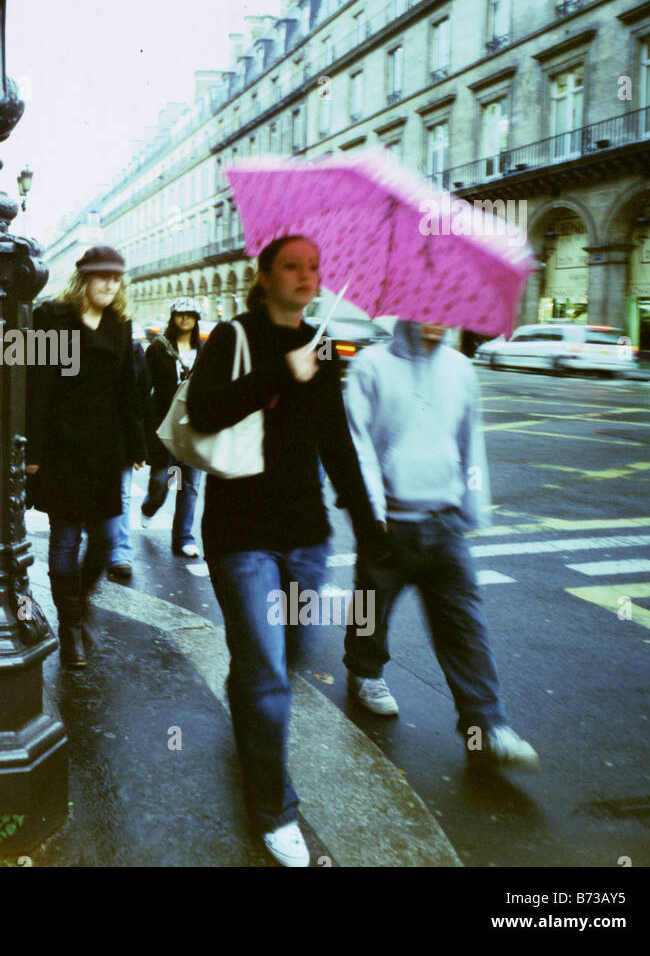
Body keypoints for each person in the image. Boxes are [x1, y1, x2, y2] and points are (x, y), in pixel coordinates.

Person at [186, 235, 388, 868]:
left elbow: (336, 442)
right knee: (268, 672)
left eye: (314, 268)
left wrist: (365, 518)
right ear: (265, 276)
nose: (308, 277)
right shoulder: (231, 337)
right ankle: (274, 811)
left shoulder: (322, 345)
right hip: (241, 535)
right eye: (293, 267)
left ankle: (247, 692)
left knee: (280, 658)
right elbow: (201, 414)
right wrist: (279, 372)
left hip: (306, 535)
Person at [341, 321, 539, 771]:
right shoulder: (371, 366)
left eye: (444, 309)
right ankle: (364, 670)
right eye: (425, 307)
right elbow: (359, 447)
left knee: (464, 626)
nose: (435, 318)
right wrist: (373, 518)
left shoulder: (459, 368)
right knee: (373, 606)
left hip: (445, 523)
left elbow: (471, 443)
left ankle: (486, 726)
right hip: (389, 519)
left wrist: (472, 511)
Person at [26, 246, 146, 669]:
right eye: (102, 277)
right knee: (65, 538)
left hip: (102, 449)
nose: (110, 285)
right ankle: (71, 627)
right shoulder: (53, 319)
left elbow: (127, 390)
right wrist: (34, 451)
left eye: (116, 279)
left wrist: (137, 444)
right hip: (61, 446)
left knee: (107, 538)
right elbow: (38, 386)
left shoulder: (119, 324)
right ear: (83, 280)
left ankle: (78, 601)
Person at [141, 298, 205, 557]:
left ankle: (183, 538)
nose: (185, 319)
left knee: (188, 483)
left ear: (196, 319)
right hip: (163, 425)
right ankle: (150, 506)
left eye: (190, 314)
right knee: (163, 480)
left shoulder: (204, 350)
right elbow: (145, 389)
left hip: (193, 427)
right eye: (180, 314)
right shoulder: (158, 349)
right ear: (173, 317)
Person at [106, 334, 152, 581]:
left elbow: (140, 399)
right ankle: (110, 548)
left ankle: (119, 552)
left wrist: (139, 445)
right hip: (84, 435)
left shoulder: (132, 348)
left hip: (120, 434)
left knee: (122, 495)